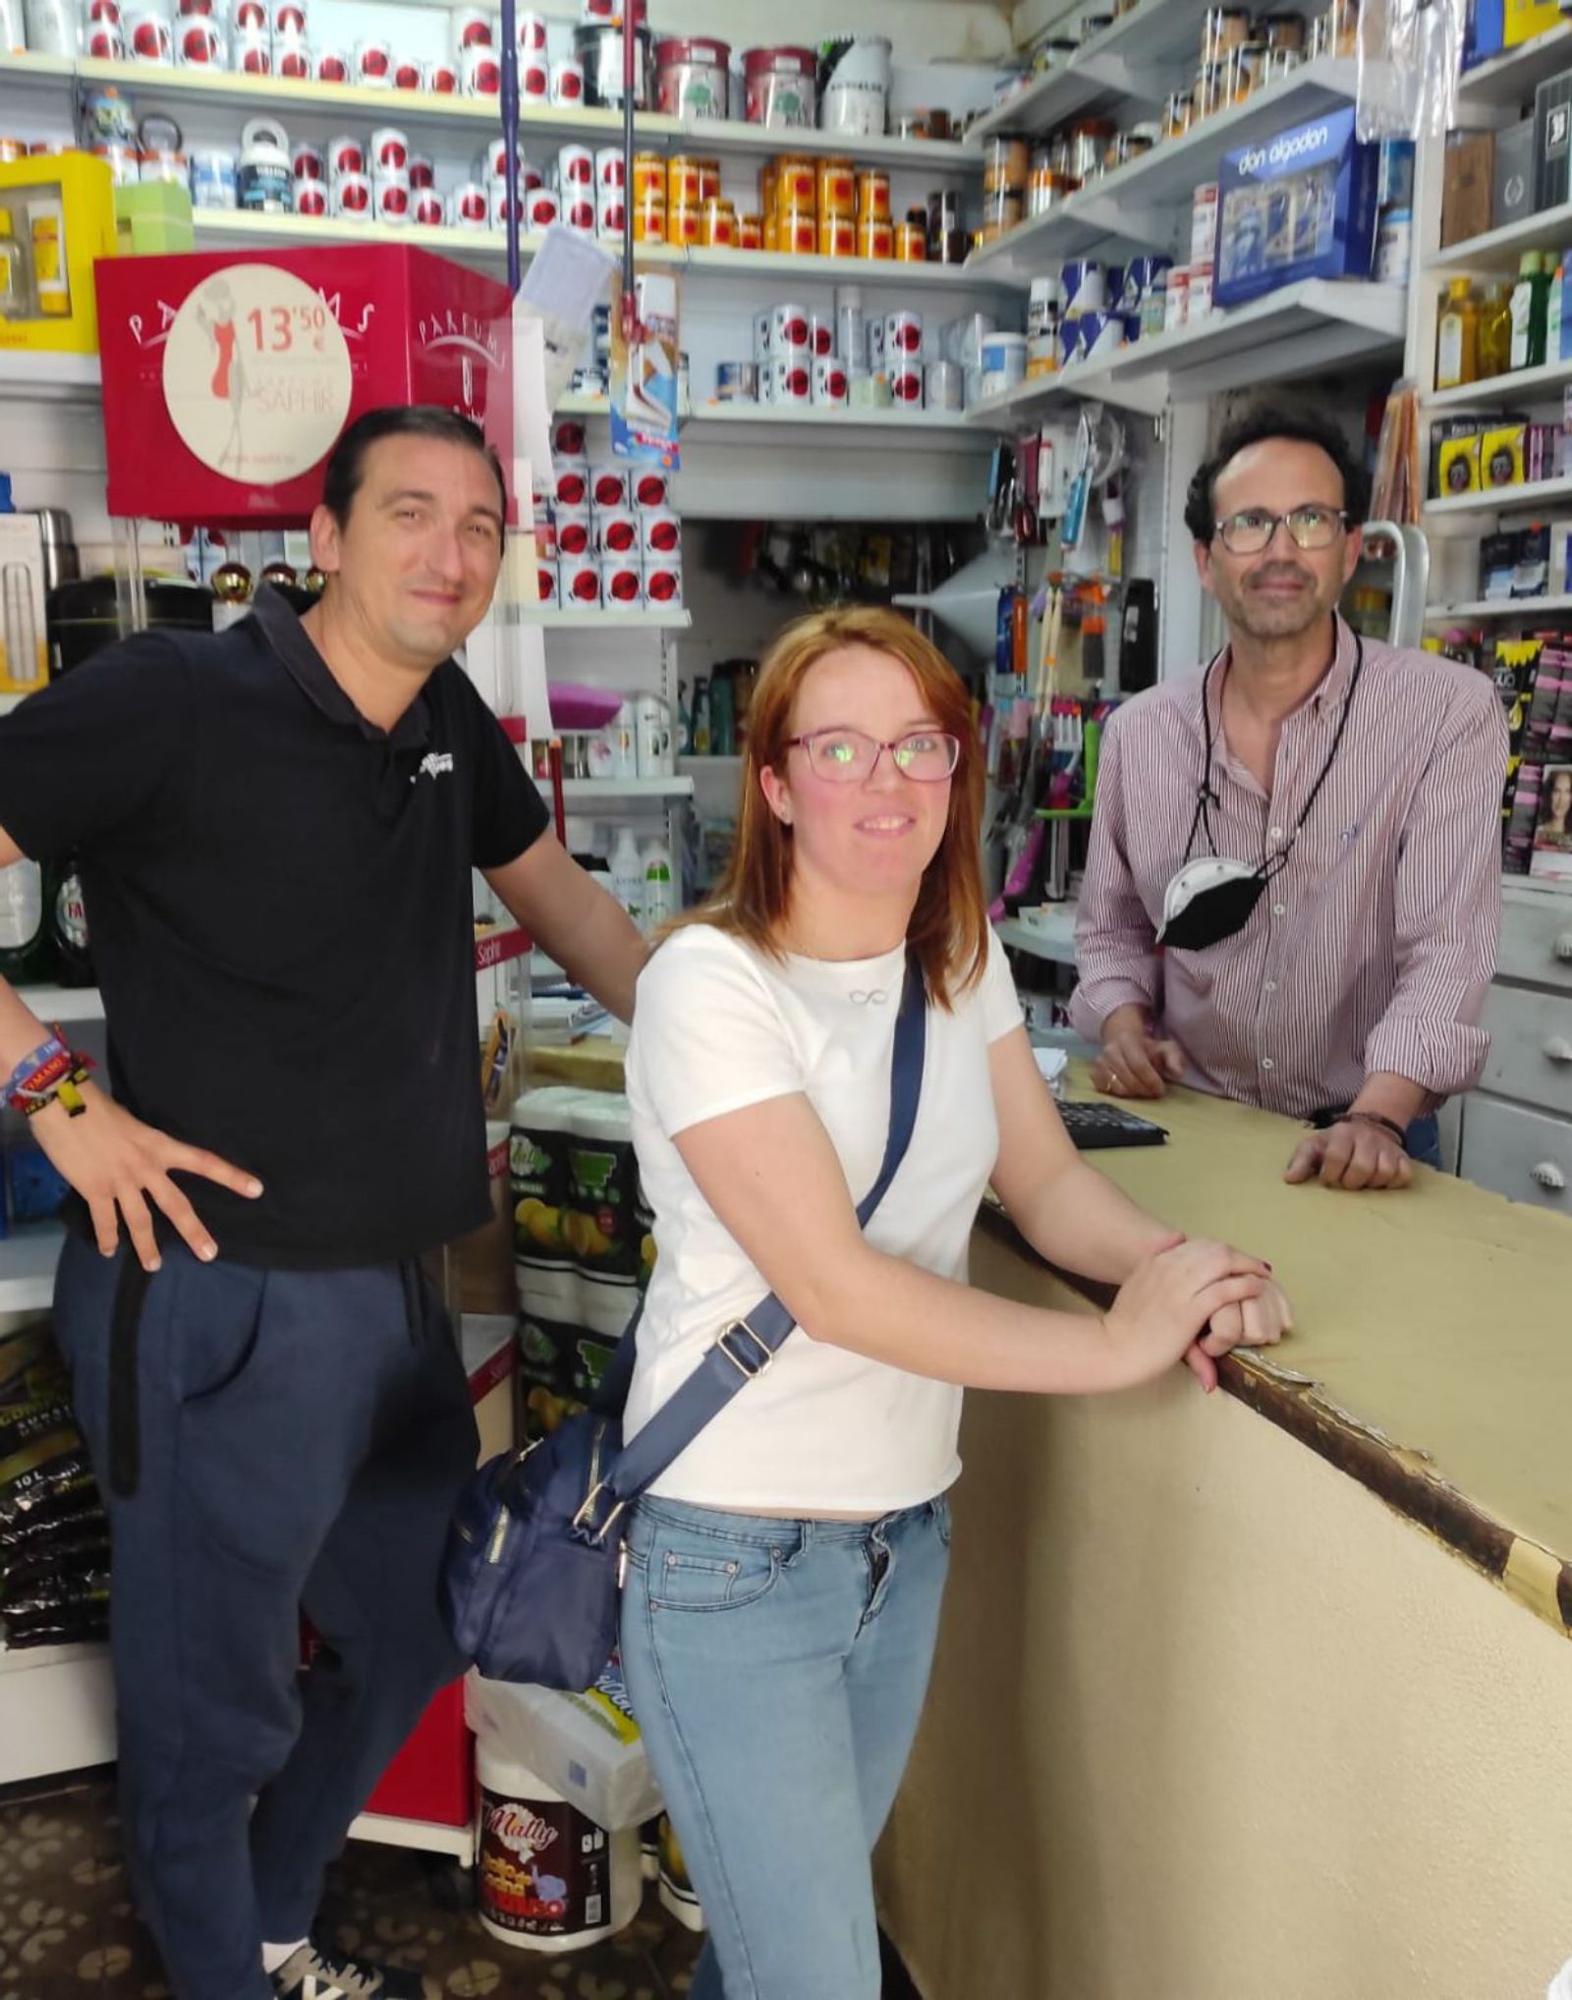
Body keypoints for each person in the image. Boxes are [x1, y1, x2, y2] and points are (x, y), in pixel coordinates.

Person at [0, 406, 646, 2000]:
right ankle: (227, 1972)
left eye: (482, 524)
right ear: (330, 533)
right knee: (211, 1706)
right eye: (412, 512)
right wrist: (51, 1098)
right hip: (217, 1294)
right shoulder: (176, 699)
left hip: (395, 1294)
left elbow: (561, 900)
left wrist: (750, 1051)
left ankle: (273, 1922)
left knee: (421, 1624)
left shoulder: (445, 720)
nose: (451, 551)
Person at [617, 605, 1292, 2000]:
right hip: (730, 1558)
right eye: (843, 748)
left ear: (957, 772)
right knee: (815, 1977)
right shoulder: (710, 983)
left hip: (898, 1538)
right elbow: (833, 1284)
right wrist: (1112, 1348)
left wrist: (1179, 1270)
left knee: (772, 1956)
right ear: (778, 783)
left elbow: (1045, 1190)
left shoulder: (958, 957)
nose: (887, 782)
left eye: (919, 745)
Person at [1071, 403, 1509, 1192]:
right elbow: (1113, 931)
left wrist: (1376, 1118)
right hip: (1190, 1125)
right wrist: (1125, 1027)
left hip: (1370, 1135)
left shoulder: (1448, 713)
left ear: (1348, 551)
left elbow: (1446, 949)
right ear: (1207, 560)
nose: (1280, 551)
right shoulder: (1140, 734)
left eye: (1308, 520)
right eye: (1249, 524)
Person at [1535, 767, 1572, 850]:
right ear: (1549, 794)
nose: (1561, 799)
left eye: (1567, 792)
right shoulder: (1537, 832)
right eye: (1556, 791)